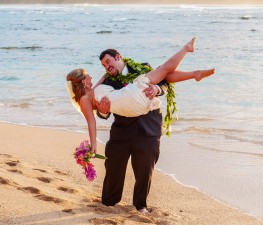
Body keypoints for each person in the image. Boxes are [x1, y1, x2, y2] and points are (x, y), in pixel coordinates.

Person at [67, 37, 214, 213]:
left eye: (108, 62)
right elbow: (100, 110)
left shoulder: (142, 67)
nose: (107, 67)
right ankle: (109, 202)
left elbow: (165, 83)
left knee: (145, 169)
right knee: (113, 166)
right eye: (104, 66)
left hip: (148, 125)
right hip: (123, 130)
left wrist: (157, 90)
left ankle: (140, 205)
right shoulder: (107, 81)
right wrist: (104, 111)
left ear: (118, 57)